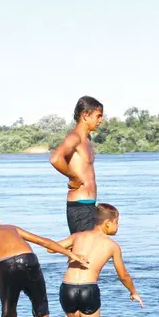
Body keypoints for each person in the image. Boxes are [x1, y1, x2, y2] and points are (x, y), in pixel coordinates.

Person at [53, 203, 142, 317]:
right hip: (88, 288)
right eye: (117, 222)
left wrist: (72, 255)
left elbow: (50, 247)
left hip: (67, 287)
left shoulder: (78, 236)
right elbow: (123, 275)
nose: (118, 227)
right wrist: (133, 292)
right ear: (108, 223)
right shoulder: (112, 245)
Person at [50, 96, 105, 233]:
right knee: (82, 251)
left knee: (92, 251)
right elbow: (56, 159)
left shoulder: (87, 139)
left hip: (90, 204)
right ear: (85, 115)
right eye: (98, 116)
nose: (100, 120)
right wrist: (73, 178)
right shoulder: (74, 137)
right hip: (80, 205)